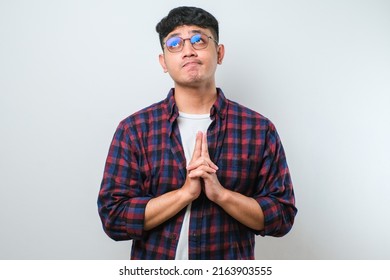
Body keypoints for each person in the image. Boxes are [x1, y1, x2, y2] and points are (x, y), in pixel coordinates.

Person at [98, 6, 297, 260]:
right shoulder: (135, 130)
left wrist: (221, 195)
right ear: (163, 61)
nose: (188, 50)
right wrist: (185, 194)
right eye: (174, 44)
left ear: (220, 52)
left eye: (199, 40)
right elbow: (113, 217)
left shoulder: (259, 129)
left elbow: (282, 216)